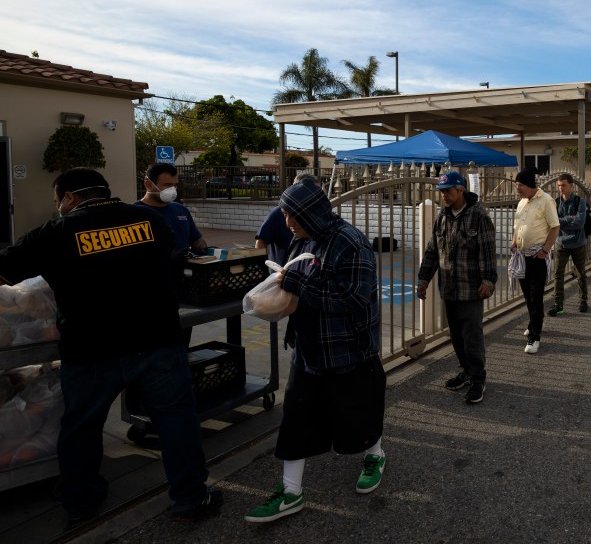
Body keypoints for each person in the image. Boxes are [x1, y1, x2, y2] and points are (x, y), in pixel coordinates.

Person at [0, 168, 222, 524]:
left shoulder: (56, 232)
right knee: (176, 422)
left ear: (69, 198)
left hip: (91, 350)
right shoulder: (148, 219)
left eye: (58, 200)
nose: (58, 206)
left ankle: (80, 503)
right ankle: (192, 499)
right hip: (157, 342)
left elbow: (4, 271)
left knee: (82, 429)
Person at [245, 178, 385, 523]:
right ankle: (291, 492)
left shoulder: (351, 243)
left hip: (349, 350)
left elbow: (352, 298)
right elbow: (296, 283)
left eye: (293, 216)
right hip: (308, 350)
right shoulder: (302, 239)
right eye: (285, 215)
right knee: (297, 418)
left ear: (312, 213)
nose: (287, 223)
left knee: (358, 412)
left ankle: (375, 455)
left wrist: (297, 284)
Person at [417, 171, 496, 405]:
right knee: (456, 336)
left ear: (461, 190)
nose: (444, 196)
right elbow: (432, 250)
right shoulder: (442, 217)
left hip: (471, 289)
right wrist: (424, 279)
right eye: (441, 192)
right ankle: (466, 371)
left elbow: (488, 252)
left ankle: (478, 379)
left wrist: (489, 280)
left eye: (448, 191)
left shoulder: (479, 216)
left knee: (472, 337)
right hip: (449, 288)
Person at [511, 167, 559, 355]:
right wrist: (514, 243)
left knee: (535, 295)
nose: (518, 188)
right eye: (517, 184)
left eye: (521, 185)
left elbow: (555, 227)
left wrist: (546, 250)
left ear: (530, 185)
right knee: (527, 295)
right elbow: (517, 226)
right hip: (522, 257)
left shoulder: (546, 201)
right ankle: (535, 322)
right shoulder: (522, 202)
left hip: (537, 257)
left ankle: (535, 337)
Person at [136, 163, 207, 255]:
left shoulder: (181, 210)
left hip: (183, 268)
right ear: (148, 184)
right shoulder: (134, 213)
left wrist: (202, 247)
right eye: (167, 185)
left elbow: (196, 239)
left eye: (175, 185)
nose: (172, 189)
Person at [548, 173, 588, 315]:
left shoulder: (580, 202)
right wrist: (569, 219)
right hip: (561, 243)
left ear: (571, 186)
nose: (561, 188)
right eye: (559, 186)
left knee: (581, 273)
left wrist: (562, 222)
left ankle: (583, 300)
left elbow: (579, 223)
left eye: (563, 185)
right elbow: (553, 222)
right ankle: (558, 305)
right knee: (558, 274)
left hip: (578, 243)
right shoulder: (556, 202)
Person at [255, 174, 312, 266]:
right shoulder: (278, 213)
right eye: (285, 215)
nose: (289, 223)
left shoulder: (316, 215)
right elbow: (261, 241)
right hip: (278, 273)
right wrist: (261, 267)